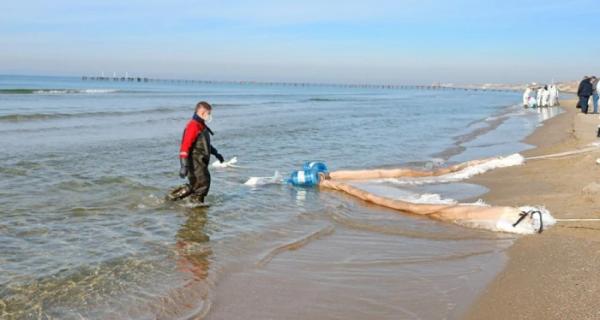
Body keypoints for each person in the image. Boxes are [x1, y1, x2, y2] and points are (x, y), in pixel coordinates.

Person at [175, 101, 224, 203]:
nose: (210, 116)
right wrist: (183, 166)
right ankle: (192, 205)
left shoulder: (201, 125)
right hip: (194, 161)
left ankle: (192, 205)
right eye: (209, 113)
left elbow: (204, 144)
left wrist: (216, 153)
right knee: (202, 183)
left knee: (198, 184)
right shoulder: (193, 126)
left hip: (201, 161)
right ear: (202, 113)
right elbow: (185, 146)